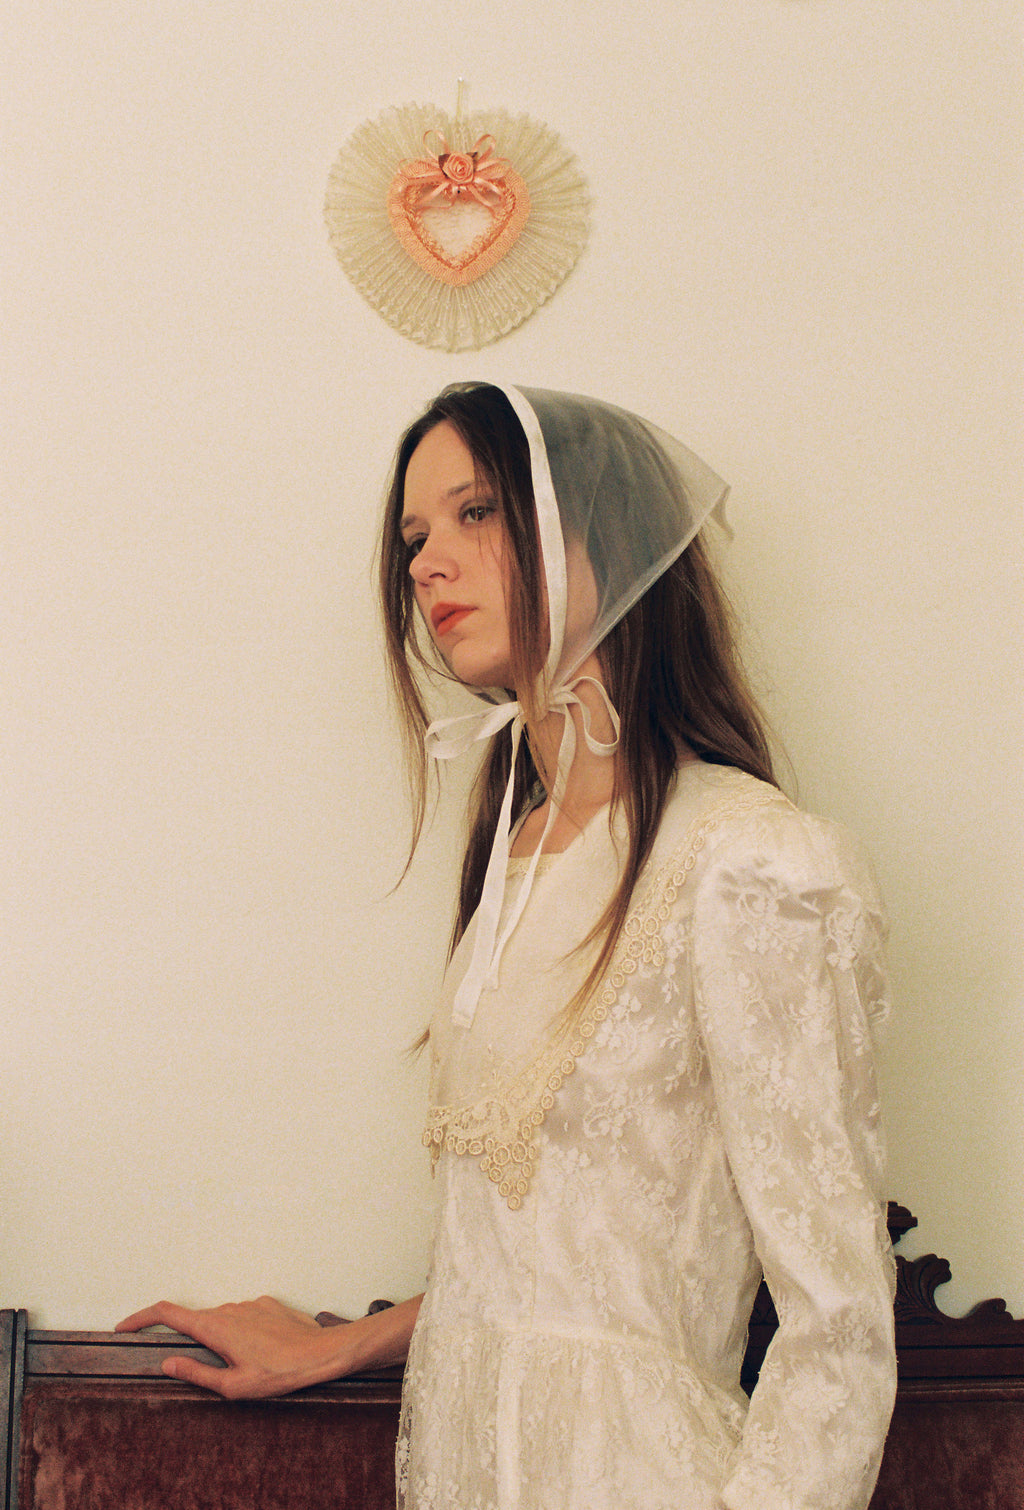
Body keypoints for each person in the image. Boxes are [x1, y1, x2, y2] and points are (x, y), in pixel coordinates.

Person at [118, 383, 898, 1510]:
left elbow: (837, 1324)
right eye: (415, 537)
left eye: (476, 511)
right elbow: (558, 1268)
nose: (427, 562)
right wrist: (344, 1342)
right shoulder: (511, 859)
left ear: (610, 539)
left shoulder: (753, 861)